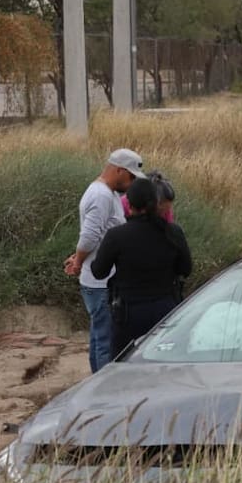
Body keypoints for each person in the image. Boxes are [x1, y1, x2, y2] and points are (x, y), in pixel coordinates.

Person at [91, 177, 193, 361]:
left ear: (129, 204)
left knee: (123, 364)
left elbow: (99, 271)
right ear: (157, 203)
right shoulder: (173, 232)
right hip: (166, 309)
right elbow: (186, 269)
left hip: (129, 312)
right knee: (165, 362)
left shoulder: (117, 236)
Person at [64, 148, 145, 373]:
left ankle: (96, 383)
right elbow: (90, 235)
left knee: (99, 336)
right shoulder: (101, 195)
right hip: (99, 281)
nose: (131, 184)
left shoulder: (107, 193)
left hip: (100, 277)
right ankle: (101, 387)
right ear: (119, 171)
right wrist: (79, 260)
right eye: (130, 177)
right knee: (105, 340)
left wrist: (80, 256)